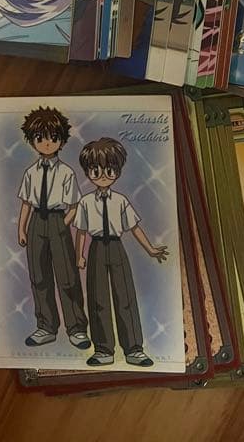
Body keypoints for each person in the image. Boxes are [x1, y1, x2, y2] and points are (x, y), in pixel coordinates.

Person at [74, 138, 168, 367]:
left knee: (125, 297)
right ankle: (103, 349)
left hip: (117, 248)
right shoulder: (85, 202)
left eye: (109, 170)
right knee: (98, 299)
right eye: (95, 170)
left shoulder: (121, 201)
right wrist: (79, 255)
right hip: (96, 249)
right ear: (88, 172)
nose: (103, 175)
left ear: (117, 171)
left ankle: (134, 349)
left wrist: (150, 249)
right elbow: (81, 232)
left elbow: (134, 228)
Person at [17, 107, 90, 349]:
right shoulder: (30, 173)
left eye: (53, 137)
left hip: (59, 221)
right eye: (40, 138)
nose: (47, 143)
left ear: (61, 140)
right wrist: (21, 229)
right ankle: (46, 327)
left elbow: (74, 205)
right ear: (32, 141)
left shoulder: (66, 172)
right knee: (39, 276)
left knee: (67, 277)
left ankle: (77, 329)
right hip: (36, 223)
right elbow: (26, 203)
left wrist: (62, 225)